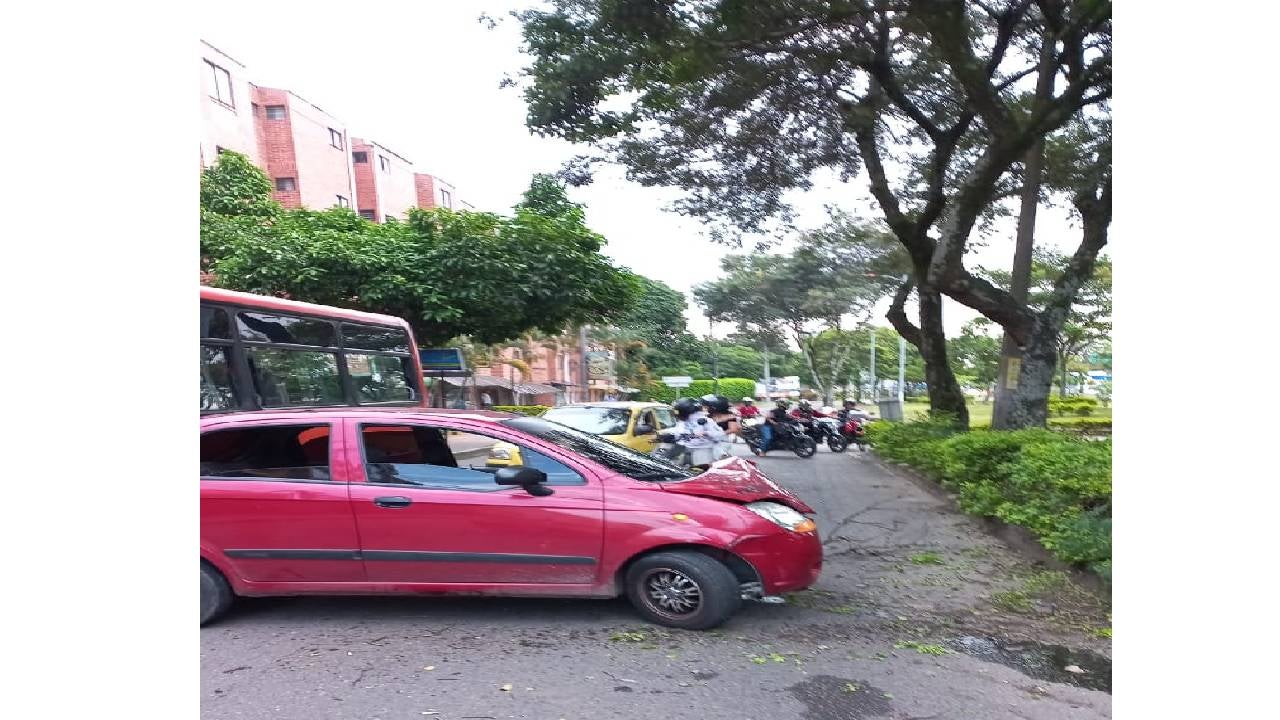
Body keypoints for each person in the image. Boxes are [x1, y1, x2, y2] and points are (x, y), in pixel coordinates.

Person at [671, 397, 725, 468]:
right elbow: (678, 434)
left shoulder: (706, 421)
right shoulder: (682, 422)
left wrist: (706, 433)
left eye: (679, 412)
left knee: (702, 471)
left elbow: (719, 435)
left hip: (704, 453)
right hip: (687, 451)